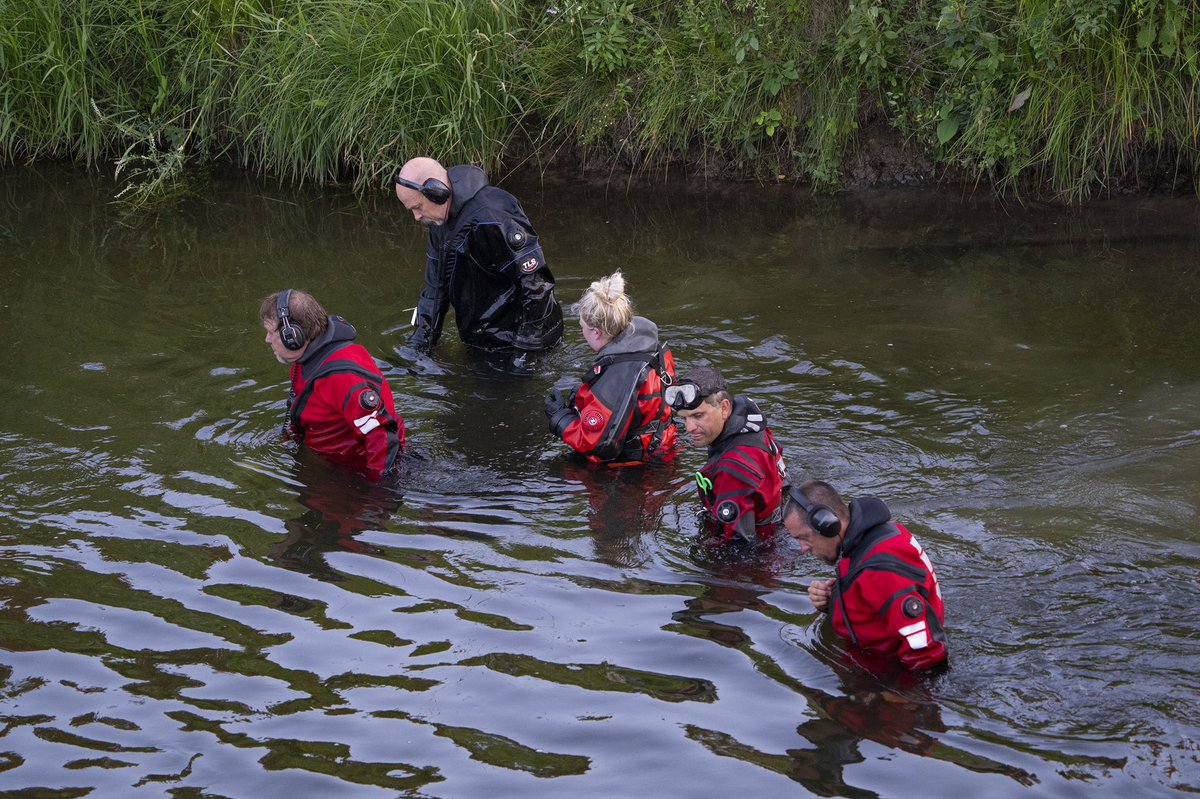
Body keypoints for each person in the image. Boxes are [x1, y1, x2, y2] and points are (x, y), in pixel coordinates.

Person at [393, 157, 564, 359]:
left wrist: (526, 353)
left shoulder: (492, 215)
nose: (417, 217)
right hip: (480, 339)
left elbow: (536, 285)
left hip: (520, 341)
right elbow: (434, 289)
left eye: (418, 207)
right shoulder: (438, 223)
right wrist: (418, 348)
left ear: (437, 192)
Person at [783, 480, 947, 671]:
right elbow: (874, 600)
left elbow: (926, 652)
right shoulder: (867, 545)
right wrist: (833, 599)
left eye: (804, 538)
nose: (803, 549)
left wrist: (899, 698)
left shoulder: (880, 568)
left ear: (828, 524)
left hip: (891, 679)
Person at [259, 289, 405, 481]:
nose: (267, 340)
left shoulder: (341, 376)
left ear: (293, 336)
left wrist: (376, 495)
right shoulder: (307, 360)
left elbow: (382, 435)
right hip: (329, 462)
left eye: (271, 332)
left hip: (354, 472)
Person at [544, 271, 676, 463]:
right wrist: (584, 397)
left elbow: (598, 445)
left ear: (596, 333)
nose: (582, 333)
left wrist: (560, 418)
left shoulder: (618, 375)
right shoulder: (652, 349)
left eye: (582, 327)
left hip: (636, 468)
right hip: (664, 447)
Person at [668, 366, 786, 545]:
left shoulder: (732, 469)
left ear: (724, 408)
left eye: (698, 416)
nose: (689, 428)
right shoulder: (749, 424)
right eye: (684, 418)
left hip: (764, 553)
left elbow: (738, 545)